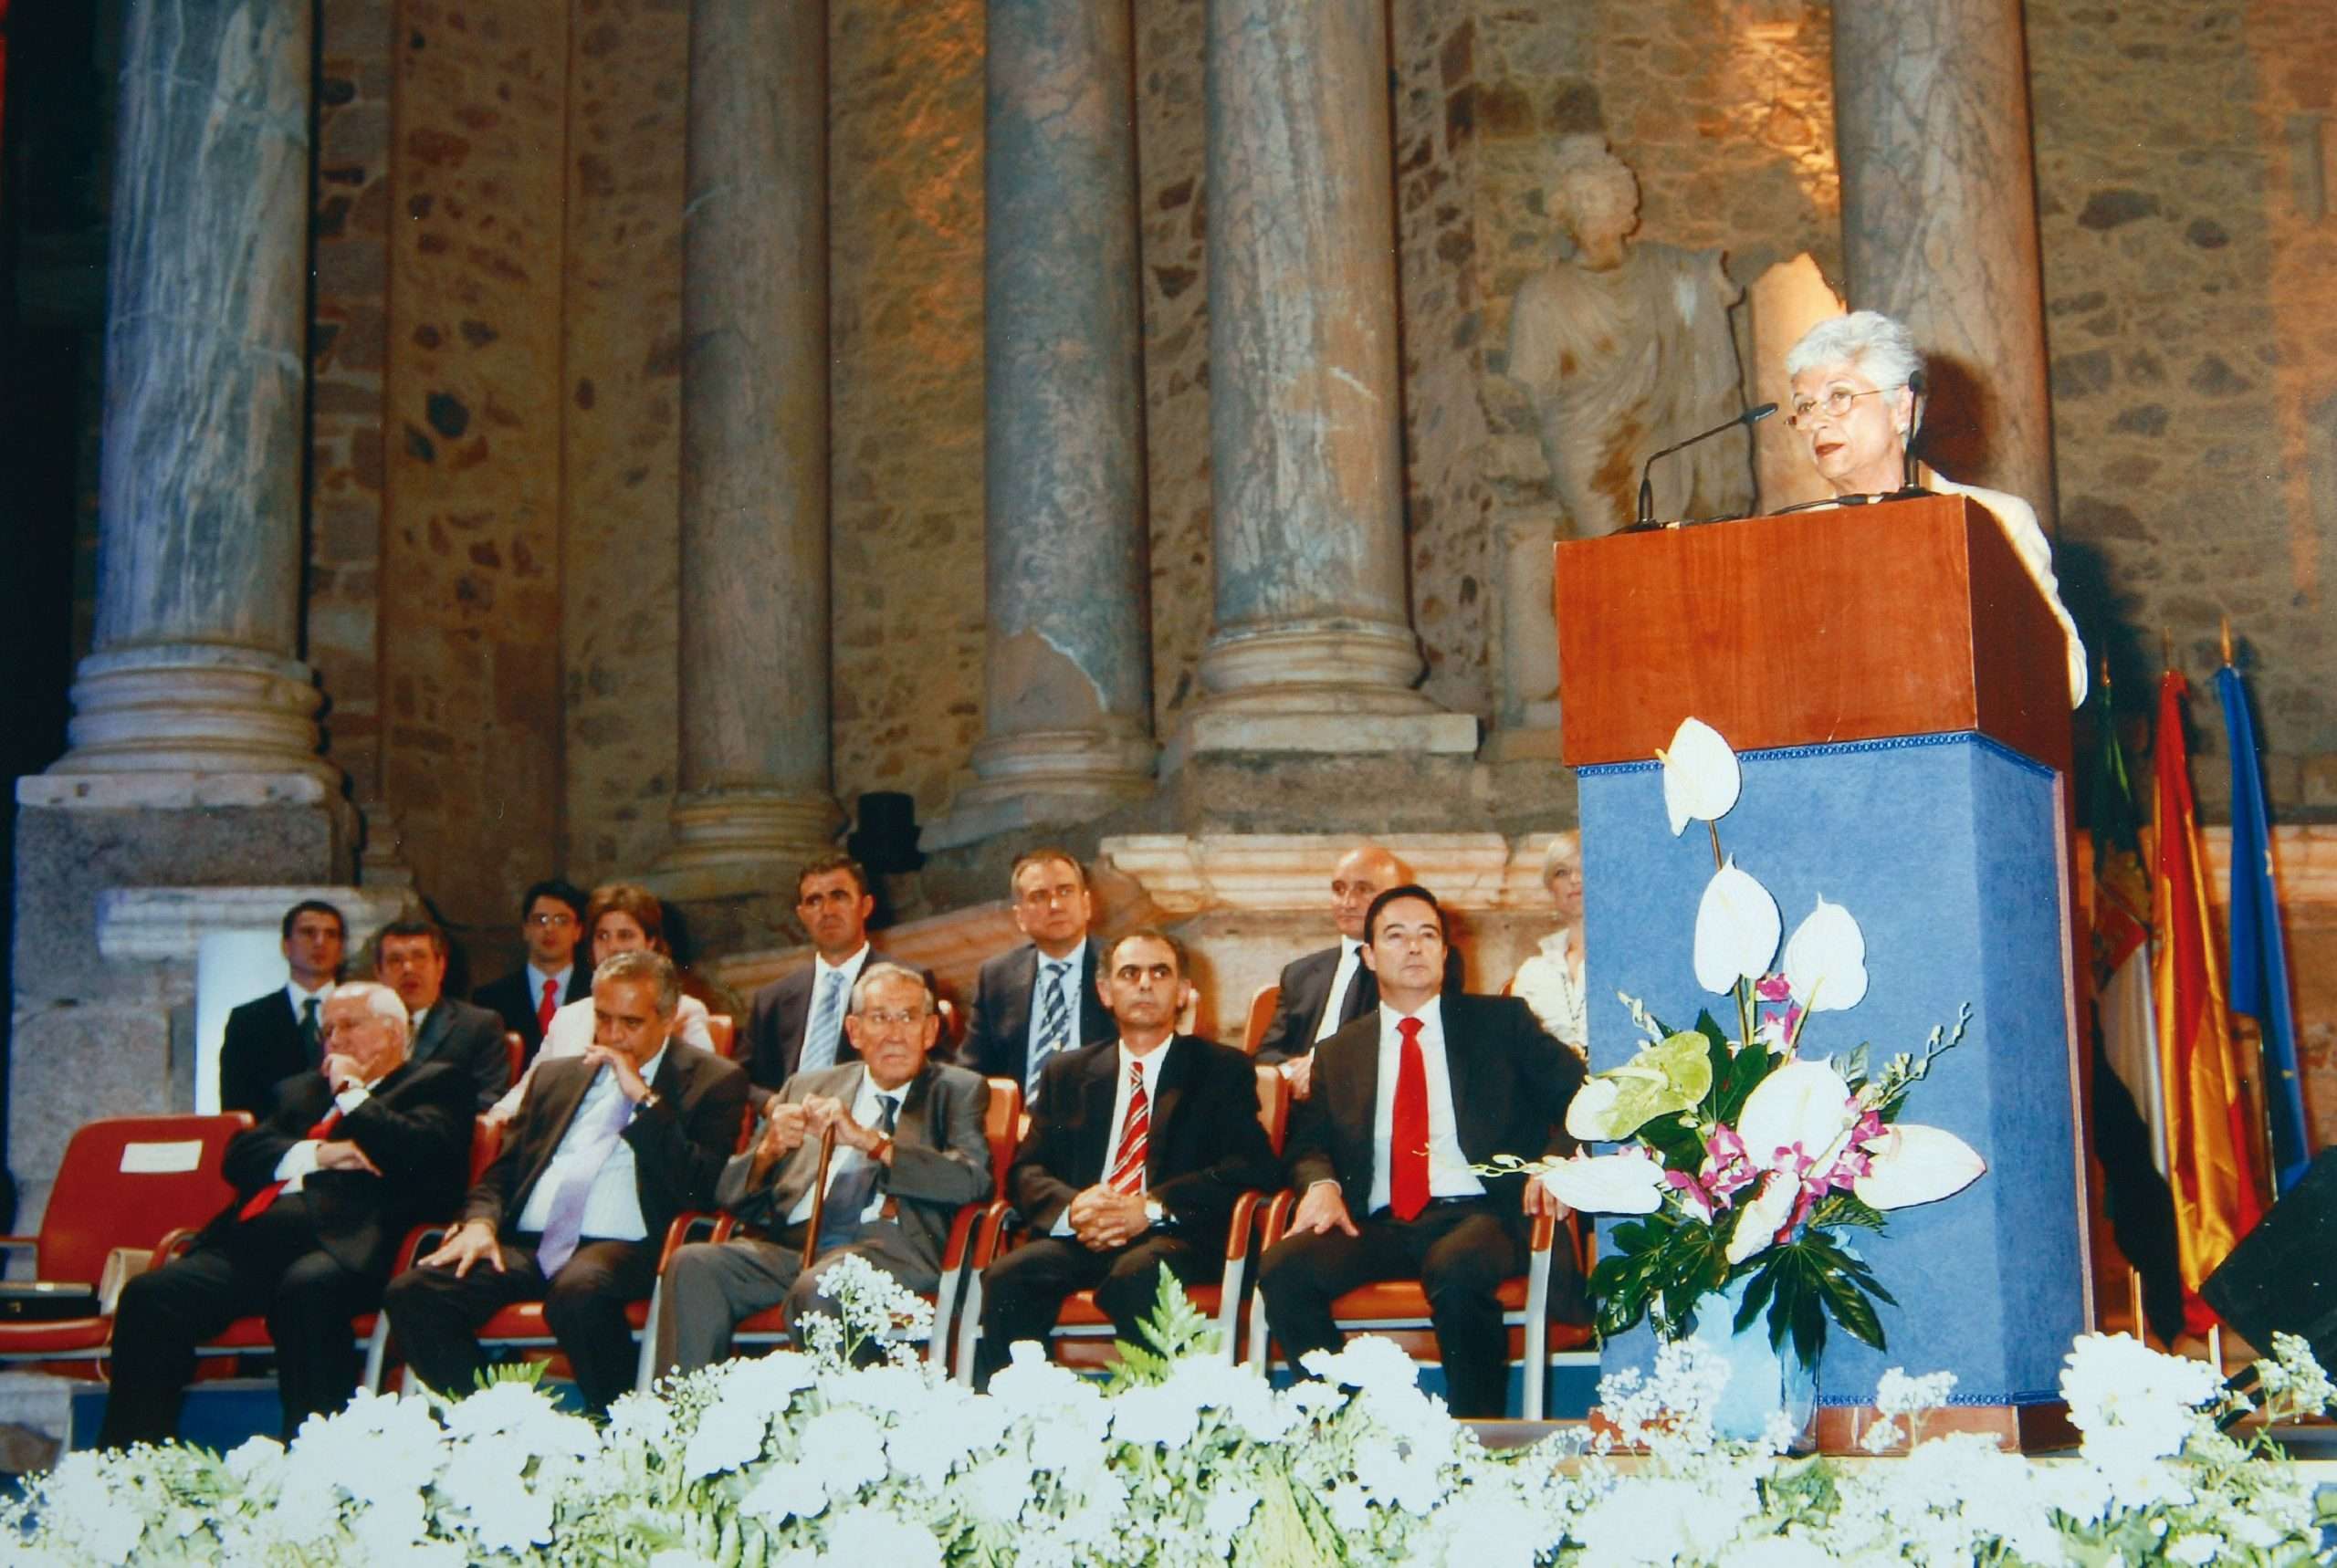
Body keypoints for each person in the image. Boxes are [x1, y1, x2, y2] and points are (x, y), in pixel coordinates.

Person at [1257, 885, 1586, 1418]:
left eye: (1427, 935)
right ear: (1368, 956)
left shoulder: (1500, 1024)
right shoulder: (1339, 1051)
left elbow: (1583, 1095)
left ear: (1445, 953)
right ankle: (1350, 1424)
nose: (1414, 947)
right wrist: (1321, 1184)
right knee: (1283, 1268)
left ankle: (1474, 1438)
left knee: (1455, 1268)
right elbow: (1308, 1143)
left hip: (1483, 1212)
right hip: (1382, 1222)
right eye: (1396, 935)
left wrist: (1555, 1160)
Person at [100, 983, 473, 1447]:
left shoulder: (438, 1082)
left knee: (306, 1290)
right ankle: (129, 1460)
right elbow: (241, 1156)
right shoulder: (299, 1090)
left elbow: (417, 1152)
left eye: (349, 1025)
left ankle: (314, 1457)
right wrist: (319, 1153)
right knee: (152, 1294)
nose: (334, 1039)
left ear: (394, 1032)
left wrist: (351, 1093)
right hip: (253, 1244)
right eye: (327, 1029)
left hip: (352, 1248)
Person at [381, 950, 747, 1415]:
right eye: (603, 1019)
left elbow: (700, 1186)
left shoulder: (713, 1080)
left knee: (578, 1292)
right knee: (415, 1292)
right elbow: (504, 1171)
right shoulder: (557, 1076)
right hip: (533, 1244)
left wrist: (643, 1100)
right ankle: (497, 1426)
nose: (613, 1037)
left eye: (630, 1023)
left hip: (626, 1243)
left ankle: (623, 1428)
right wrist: (480, 1223)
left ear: (669, 1018)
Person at [653, 964, 990, 1375]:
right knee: (693, 1265)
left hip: (891, 1252)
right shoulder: (808, 1086)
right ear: (854, 1031)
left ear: (930, 1031)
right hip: (795, 1249)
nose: (895, 1033)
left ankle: (841, 1433)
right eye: (879, 1018)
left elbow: (972, 1180)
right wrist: (770, 1151)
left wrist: (873, 1143)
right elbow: (728, 1193)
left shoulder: (957, 1089)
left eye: (908, 1017)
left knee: (823, 1285)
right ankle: (686, 1424)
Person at [971, 931, 1277, 1386]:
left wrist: (1150, 1208)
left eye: (1160, 973)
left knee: (1138, 1274)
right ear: (1104, 992)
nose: (1145, 985)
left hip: (1178, 1238)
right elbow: (1026, 1171)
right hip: (1086, 1234)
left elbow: (1251, 1168)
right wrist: (1074, 1209)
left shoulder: (1220, 1068)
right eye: (1129, 974)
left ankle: (1157, 1421)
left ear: (1182, 992)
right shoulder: (1068, 1072)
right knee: (1008, 1276)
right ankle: (1025, 1419)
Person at [1782, 309, 2088, 706]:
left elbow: (2071, 678)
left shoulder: (1993, 519)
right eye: (1805, 406)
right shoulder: (1788, 539)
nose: (1816, 422)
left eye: (1838, 397)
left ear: (1901, 410)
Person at [1507, 135, 1749, 533]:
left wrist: (1708, 283)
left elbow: (1709, 289)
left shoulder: (1669, 270)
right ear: (1562, 206)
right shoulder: (1541, 294)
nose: (1586, 204)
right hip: (1584, 445)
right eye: (1578, 196)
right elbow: (1536, 387)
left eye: (1596, 193)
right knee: (1608, 549)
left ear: (1621, 201)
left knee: (1663, 547)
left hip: (1656, 434)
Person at [485, 883, 716, 1125]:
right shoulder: (569, 1017)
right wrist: (498, 1116)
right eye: (602, 936)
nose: (613, 947)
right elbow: (530, 1089)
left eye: (625, 935)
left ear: (650, 943)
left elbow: (703, 1098)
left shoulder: (683, 1012)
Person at [1254, 843, 1464, 1101]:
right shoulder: (1301, 973)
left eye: (1364, 889)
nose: (1348, 902)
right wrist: (1294, 1074)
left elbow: (1417, 1040)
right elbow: (1266, 1055)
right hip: (1299, 1108)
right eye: (1339, 889)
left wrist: (1325, 1067)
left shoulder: (1420, 962)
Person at [742, 854, 921, 1108]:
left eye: (839, 896)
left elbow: (933, 1072)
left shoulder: (907, 985)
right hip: (787, 1130)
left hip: (863, 1125)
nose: (827, 911)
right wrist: (773, 1105)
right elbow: (741, 1079)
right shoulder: (773, 999)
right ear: (802, 914)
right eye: (814, 901)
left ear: (866, 906)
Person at [959, 848, 1116, 1091]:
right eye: (1039, 896)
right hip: (1021, 1121)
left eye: (1065, 891)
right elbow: (971, 1071)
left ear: (1086, 904)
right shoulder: (997, 976)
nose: (1055, 905)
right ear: (1020, 916)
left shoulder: (1121, 967)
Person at [219, 900, 347, 1117]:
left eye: (331, 935)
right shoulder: (248, 1020)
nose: (320, 942)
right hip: (274, 1144)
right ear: (286, 946)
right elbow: (237, 1107)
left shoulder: (363, 1013)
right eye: (308, 933)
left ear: (341, 949)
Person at [371, 919, 511, 1113]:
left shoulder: (478, 1025)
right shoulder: (363, 1028)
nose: (408, 969)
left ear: (440, 966)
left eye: (419, 957)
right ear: (379, 972)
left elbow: (491, 1098)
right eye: (395, 960)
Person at [473, 879, 593, 1065]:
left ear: (578, 931)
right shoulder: (489, 1000)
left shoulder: (596, 993)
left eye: (562, 921)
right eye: (540, 920)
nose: (550, 929)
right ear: (525, 929)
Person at [1507, 831, 1588, 1059]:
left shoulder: (1628, 963)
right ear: (1551, 887)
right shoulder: (1532, 972)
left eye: (1585, 868)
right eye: (1562, 872)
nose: (1575, 880)